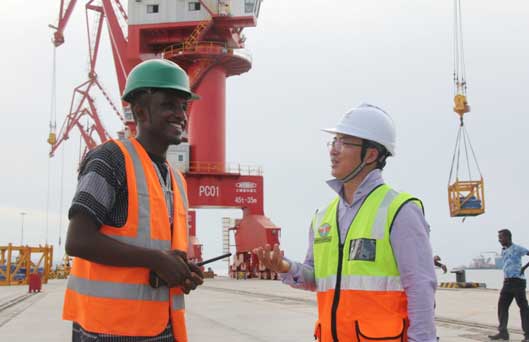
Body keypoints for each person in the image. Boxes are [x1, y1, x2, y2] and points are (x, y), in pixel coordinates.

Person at [254, 103, 437, 342]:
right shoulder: (323, 217)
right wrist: (286, 268)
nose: (333, 150)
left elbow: (421, 287)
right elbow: (317, 278)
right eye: (334, 141)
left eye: (345, 142)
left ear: (371, 154)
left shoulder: (400, 210)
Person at [62, 59, 203, 342]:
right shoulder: (110, 160)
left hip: (162, 326)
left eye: (183, 106)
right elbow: (78, 240)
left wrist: (181, 271)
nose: (180, 114)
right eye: (169, 105)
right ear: (140, 111)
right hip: (109, 330)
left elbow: (160, 251)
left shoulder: (175, 179)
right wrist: (155, 260)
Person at [488, 229, 529, 341]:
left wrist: (524, 268)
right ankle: (503, 333)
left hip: (518, 282)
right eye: (499, 238)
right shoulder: (504, 250)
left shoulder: (517, 248)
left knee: (524, 308)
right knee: (502, 307)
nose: (499, 240)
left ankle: (528, 335)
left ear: (508, 237)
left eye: (501, 237)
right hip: (507, 283)